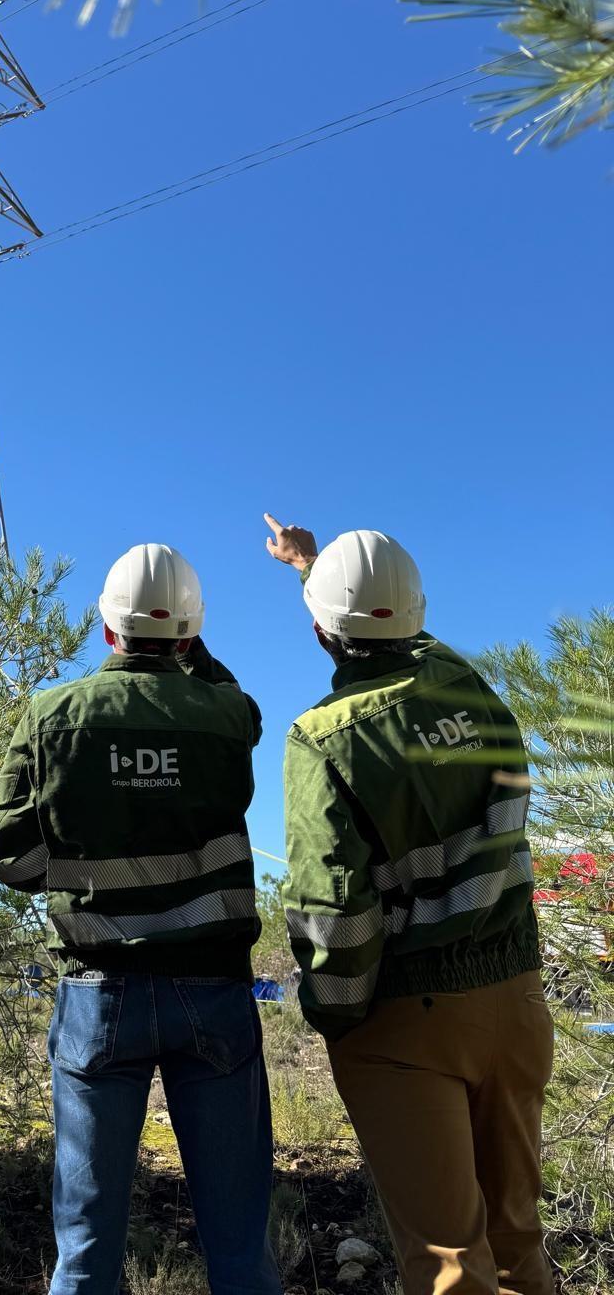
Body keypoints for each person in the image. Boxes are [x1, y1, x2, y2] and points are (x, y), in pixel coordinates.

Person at [264, 514, 553, 1295]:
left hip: (408, 1022)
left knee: (450, 1266)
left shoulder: (323, 740)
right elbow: (404, 634)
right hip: (518, 1000)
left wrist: (339, 1016)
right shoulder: (472, 689)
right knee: (518, 1241)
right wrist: (314, 565)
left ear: (321, 629)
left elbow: (333, 910)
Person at [0, 544, 281, 1295]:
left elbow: (12, 864)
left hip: (99, 996)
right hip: (213, 995)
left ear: (106, 628)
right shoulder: (224, 713)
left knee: (85, 1249)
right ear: (189, 636)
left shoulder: (51, 717)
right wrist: (190, 648)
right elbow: (236, 703)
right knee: (241, 1244)